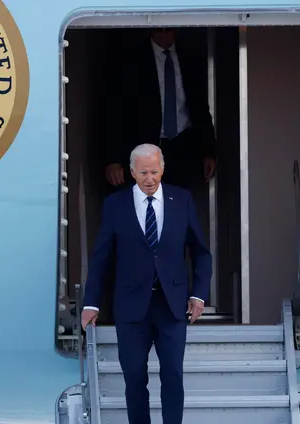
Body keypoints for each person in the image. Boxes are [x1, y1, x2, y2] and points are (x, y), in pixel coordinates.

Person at [81, 143, 213, 424]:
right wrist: (91, 303)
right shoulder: (115, 205)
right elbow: (101, 258)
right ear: (131, 172)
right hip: (131, 306)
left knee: (173, 376)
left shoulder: (183, 200)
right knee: (134, 377)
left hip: (172, 305)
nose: (149, 179)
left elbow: (201, 252)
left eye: (154, 171)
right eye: (143, 173)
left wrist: (199, 296)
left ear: (163, 169)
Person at [104, 28, 217, 191]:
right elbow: (115, 112)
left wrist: (208, 152)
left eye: (169, 29)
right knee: (146, 208)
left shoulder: (190, 58)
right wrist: (113, 159)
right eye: (161, 29)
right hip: (143, 147)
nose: (165, 34)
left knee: (178, 206)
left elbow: (199, 108)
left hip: (183, 147)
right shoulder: (132, 60)